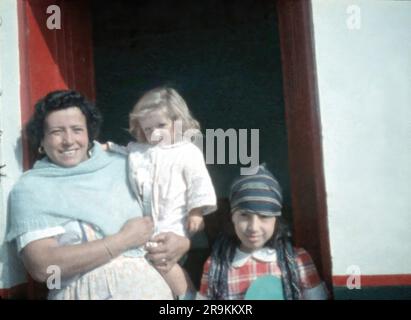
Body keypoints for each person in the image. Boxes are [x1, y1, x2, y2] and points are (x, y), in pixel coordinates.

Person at [6, 90, 190, 300]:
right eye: (57, 132)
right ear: (41, 139)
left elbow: (167, 213)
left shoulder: (125, 165)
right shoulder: (32, 188)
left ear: (89, 133)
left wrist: (181, 242)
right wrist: (122, 240)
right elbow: (43, 267)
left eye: (77, 129)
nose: (68, 140)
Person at [106, 87, 217, 299]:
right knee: (148, 259)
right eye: (148, 129)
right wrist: (106, 148)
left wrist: (196, 211)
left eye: (161, 125)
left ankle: (190, 296)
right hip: (145, 219)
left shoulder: (187, 151)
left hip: (172, 219)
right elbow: (122, 152)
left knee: (162, 259)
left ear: (178, 121)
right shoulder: (139, 150)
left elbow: (199, 182)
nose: (155, 133)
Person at [197, 165, 329, 300]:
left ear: (276, 220)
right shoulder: (215, 265)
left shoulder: (299, 261)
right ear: (233, 217)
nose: (253, 227)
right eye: (244, 215)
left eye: (264, 216)